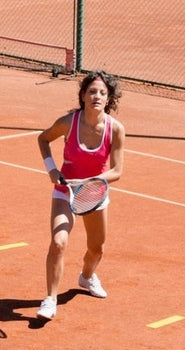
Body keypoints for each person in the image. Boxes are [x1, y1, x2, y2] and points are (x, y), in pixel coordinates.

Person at [35, 71, 125, 321]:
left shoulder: (115, 129)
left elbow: (117, 171)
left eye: (102, 93)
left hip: (95, 193)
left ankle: (86, 277)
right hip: (65, 191)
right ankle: (50, 300)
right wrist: (52, 169)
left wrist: (91, 181)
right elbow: (43, 139)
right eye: (92, 92)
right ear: (83, 96)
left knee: (97, 249)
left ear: (109, 99)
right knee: (58, 242)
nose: (97, 96)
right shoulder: (68, 122)